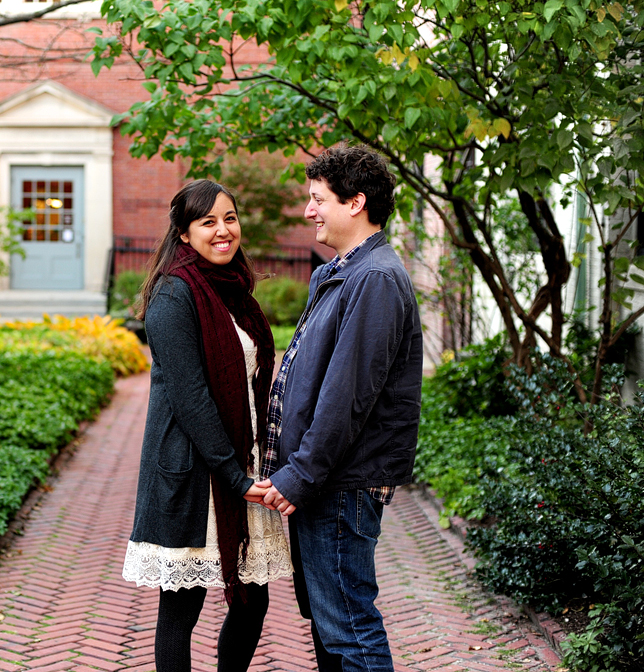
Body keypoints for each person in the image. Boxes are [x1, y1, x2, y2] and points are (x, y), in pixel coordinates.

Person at [258, 143, 424, 672]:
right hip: (326, 481)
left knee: (350, 630)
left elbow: (347, 397)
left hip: (339, 484)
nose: (309, 211)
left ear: (355, 203)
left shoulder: (374, 278)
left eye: (317, 199)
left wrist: (300, 475)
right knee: (332, 632)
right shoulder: (343, 272)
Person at [121, 179, 293, 672]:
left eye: (230, 218)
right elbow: (192, 398)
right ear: (183, 234)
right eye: (208, 222)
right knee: (181, 610)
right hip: (196, 476)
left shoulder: (236, 292)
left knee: (251, 603)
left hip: (241, 465)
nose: (223, 231)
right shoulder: (172, 297)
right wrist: (235, 477)